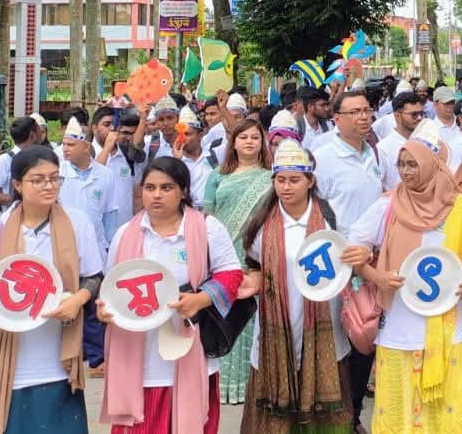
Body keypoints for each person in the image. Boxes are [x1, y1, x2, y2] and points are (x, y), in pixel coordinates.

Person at [345, 128, 462, 433]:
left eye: (413, 164)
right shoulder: (388, 206)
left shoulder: (460, 207)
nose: (405, 171)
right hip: (399, 326)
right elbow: (355, 250)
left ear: (432, 163)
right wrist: (376, 276)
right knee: (397, 406)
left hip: (445, 325)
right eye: (401, 164)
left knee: (444, 410)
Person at [0, 145, 102, 433]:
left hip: (55, 360)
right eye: (38, 179)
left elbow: (94, 276)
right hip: (1, 357)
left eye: (54, 178)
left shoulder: (76, 223)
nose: (48, 186)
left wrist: (78, 299)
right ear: (17, 185)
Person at [95, 158, 243, 434]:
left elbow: (231, 274)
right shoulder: (124, 234)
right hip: (138, 351)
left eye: (167, 187)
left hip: (189, 347)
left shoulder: (207, 229)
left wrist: (201, 299)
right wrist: (104, 311)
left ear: (183, 191)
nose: (157, 195)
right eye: (150, 187)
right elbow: (111, 288)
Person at [238, 140, 358, 434]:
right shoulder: (262, 225)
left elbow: (347, 261)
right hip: (276, 329)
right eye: (280, 180)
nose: (286, 187)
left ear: (310, 181)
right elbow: (254, 266)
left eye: (294, 180)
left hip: (322, 327)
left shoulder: (329, 220)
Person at [309, 88, 384, 420]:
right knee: (338, 339)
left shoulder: (375, 153)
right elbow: (315, 211)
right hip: (338, 263)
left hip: (373, 262)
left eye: (367, 110)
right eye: (355, 112)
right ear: (336, 119)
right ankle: (335, 412)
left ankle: (352, 414)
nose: (364, 116)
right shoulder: (323, 157)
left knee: (365, 333)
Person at [204, 117, 275, 405]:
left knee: (252, 320)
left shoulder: (271, 178)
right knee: (223, 318)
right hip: (222, 257)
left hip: (256, 258)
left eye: (254, 137)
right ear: (233, 142)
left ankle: (249, 385)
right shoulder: (216, 177)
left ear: (262, 143)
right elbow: (207, 218)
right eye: (242, 137)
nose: (248, 141)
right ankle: (221, 385)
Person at [57, 117, 112, 252]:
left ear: (86, 147)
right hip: (64, 244)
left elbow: (110, 214)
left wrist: (109, 245)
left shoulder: (106, 174)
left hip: (96, 245)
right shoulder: (57, 172)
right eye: (64, 144)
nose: (65, 149)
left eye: (71, 145)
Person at [92, 106, 146, 238]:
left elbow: (138, 146)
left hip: (125, 230)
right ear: (94, 128)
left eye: (114, 125)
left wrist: (143, 119)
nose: (112, 129)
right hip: (97, 232)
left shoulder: (126, 152)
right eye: (106, 124)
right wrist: (106, 149)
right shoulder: (87, 151)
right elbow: (94, 177)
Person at [376, 90, 428, 190]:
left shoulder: (427, 142)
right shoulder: (383, 149)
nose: (419, 118)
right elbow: (378, 187)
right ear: (397, 116)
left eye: (421, 113)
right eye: (414, 114)